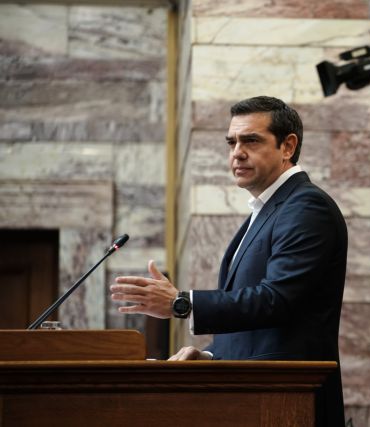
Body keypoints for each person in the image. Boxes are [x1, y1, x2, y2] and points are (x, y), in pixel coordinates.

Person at [110, 96, 348, 425]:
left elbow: (277, 300)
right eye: (231, 142)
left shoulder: (306, 206)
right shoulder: (268, 210)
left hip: (290, 404)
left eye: (251, 140)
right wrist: (211, 357)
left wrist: (182, 303)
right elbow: (257, 328)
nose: (237, 152)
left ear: (287, 146)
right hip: (260, 399)